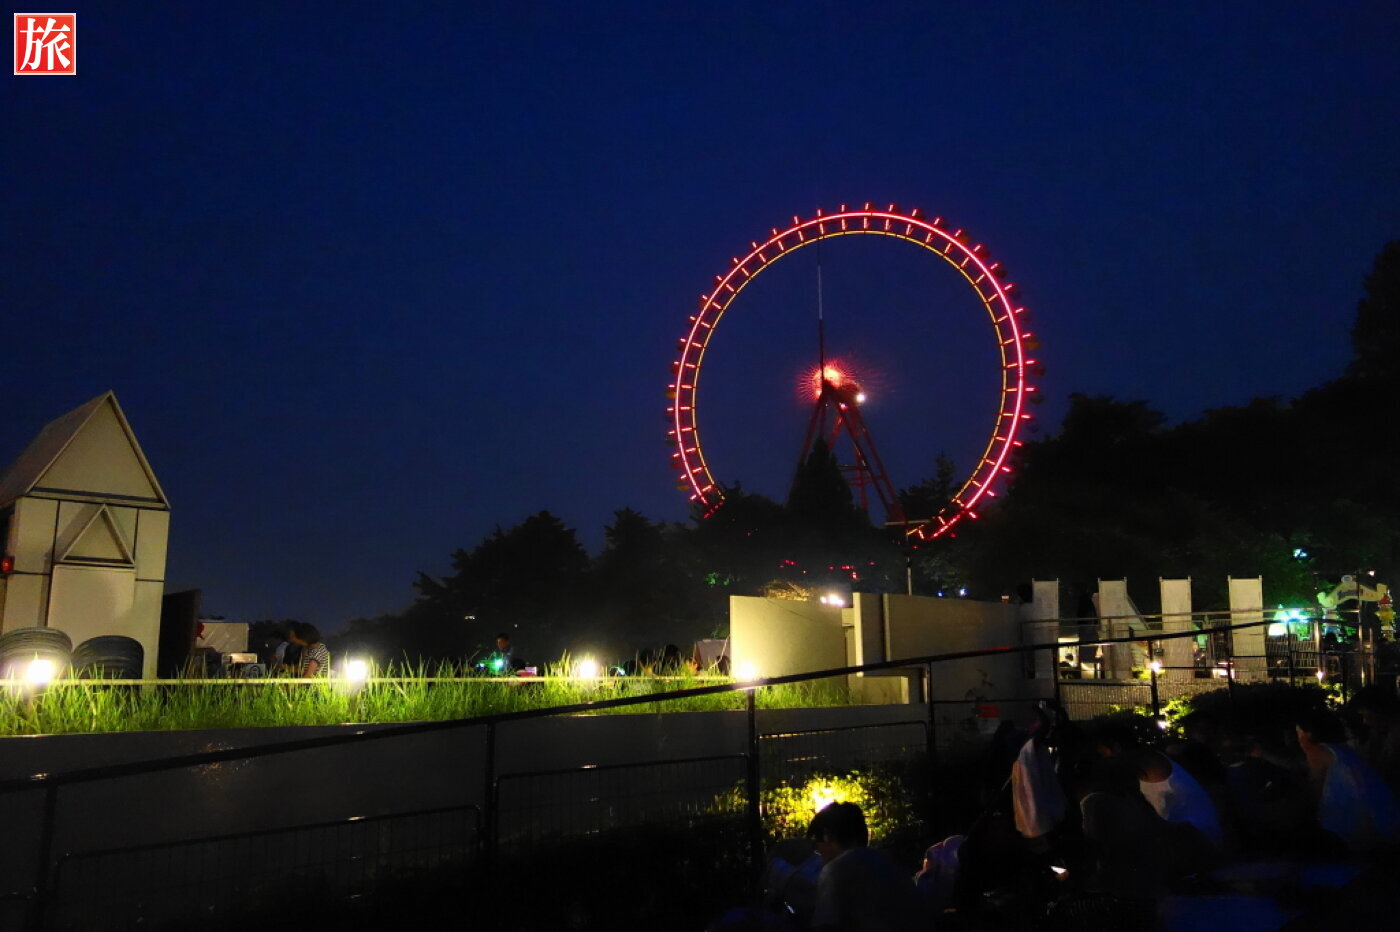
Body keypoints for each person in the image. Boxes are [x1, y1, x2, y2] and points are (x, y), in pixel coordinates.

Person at [806, 802, 923, 931]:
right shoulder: (891, 863)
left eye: (816, 845)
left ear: (827, 836)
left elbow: (825, 926)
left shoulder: (834, 871)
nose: (818, 852)